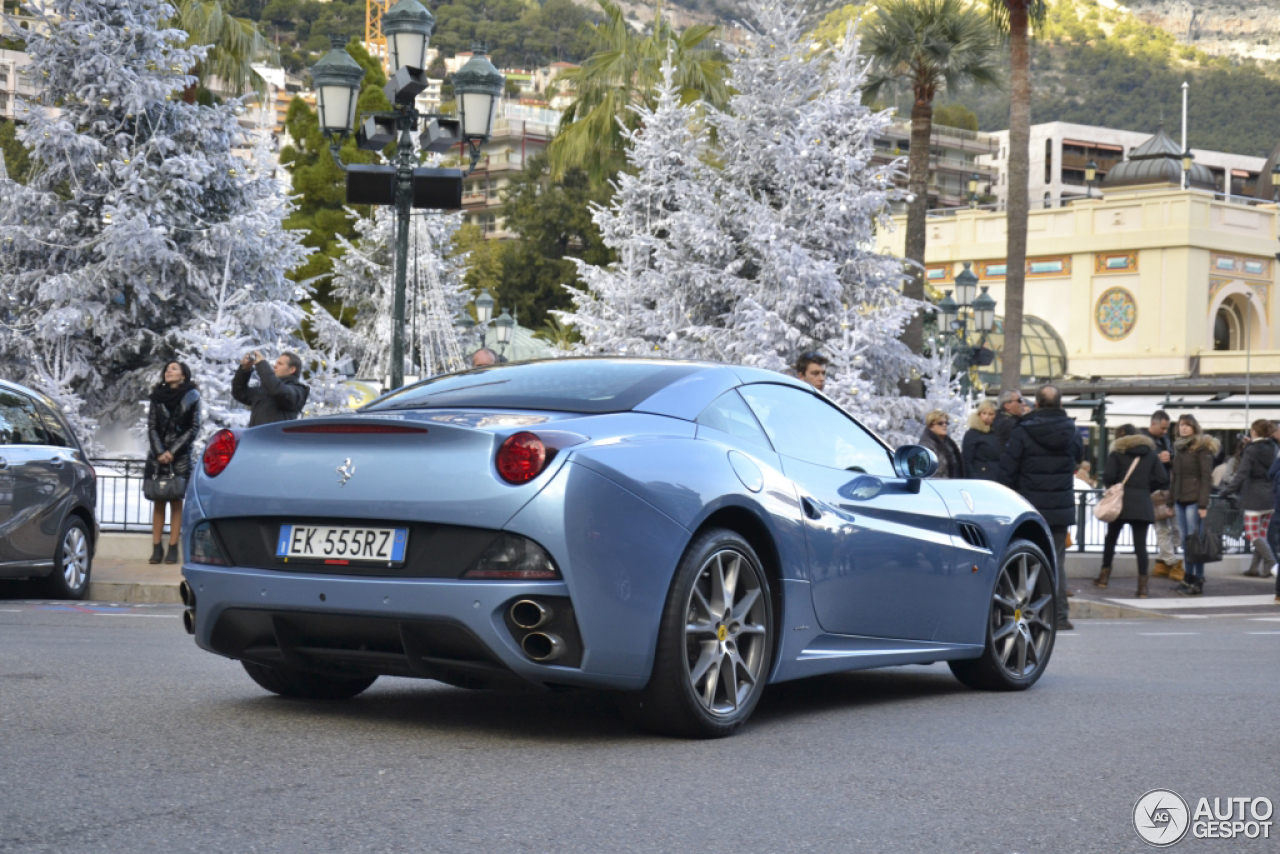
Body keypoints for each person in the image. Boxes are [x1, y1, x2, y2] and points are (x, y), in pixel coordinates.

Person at [997, 385, 1083, 629]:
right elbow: (1078, 457)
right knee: (1056, 561)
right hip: (1059, 507)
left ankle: (1027, 614)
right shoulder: (1071, 431)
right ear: (1059, 404)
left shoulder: (1023, 430)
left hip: (1029, 507)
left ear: (1035, 402)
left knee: (1024, 561)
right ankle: (1059, 615)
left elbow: (1008, 469)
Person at [1093, 424, 1169, 598]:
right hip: (1142, 503)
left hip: (1120, 504)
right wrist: (1145, 487)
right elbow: (1162, 478)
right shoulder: (1150, 454)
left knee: (1111, 539)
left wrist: (1115, 486)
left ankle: (1104, 578)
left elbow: (1109, 477)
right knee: (1140, 546)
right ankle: (1142, 588)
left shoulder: (1117, 453)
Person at [145, 361, 201, 564]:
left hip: (180, 456)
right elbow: (151, 426)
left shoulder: (193, 397)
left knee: (176, 501)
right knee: (158, 500)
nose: (169, 371)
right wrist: (160, 452)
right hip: (157, 456)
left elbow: (194, 428)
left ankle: (173, 547)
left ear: (184, 375)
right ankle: (156, 547)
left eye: (174, 368)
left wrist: (173, 452)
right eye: (167, 368)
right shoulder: (157, 397)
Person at [1166, 415, 1218, 596]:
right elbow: (1175, 478)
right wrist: (1170, 501)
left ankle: (1198, 579)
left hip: (1194, 500)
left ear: (1194, 428)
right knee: (1186, 542)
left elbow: (1206, 477)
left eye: (1187, 425)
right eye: (1181, 425)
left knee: (1195, 541)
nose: (1184, 428)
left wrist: (1203, 504)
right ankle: (1188, 578)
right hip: (1181, 500)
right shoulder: (1180, 448)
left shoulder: (1201, 449)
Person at [1219, 419, 1278, 578]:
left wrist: (1225, 492)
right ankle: (1255, 568)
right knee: (1262, 535)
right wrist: (1251, 445)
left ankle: (1273, 564)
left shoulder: (1251, 450)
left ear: (1254, 432)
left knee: (1253, 535)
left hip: (1254, 496)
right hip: (1270, 495)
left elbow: (1241, 475)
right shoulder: (1273, 447)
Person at [1143, 410, 1182, 582]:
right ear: (1153, 424)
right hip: (1153, 491)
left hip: (1166, 489)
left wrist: (1170, 457)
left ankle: (1164, 561)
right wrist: (1158, 459)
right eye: (1163, 428)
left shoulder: (1164, 440)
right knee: (1163, 527)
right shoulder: (1144, 441)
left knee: (1172, 527)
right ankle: (1170, 561)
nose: (1165, 432)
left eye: (1166, 428)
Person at [231, 351, 309, 427]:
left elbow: (278, 391)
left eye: (280, 364)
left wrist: (261, 363)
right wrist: (244, 370)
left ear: (292, 369)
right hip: (255, 438)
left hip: (276, 439)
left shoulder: (298, 390)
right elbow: (239, 392)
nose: (275, 366)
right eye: (276, 363)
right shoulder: (265, 389)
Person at [961, 400, 1001, 480]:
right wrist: (974, 478)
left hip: (997, 477)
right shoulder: (972, 433)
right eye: (984, 413)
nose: (987, 417)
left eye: (991, 414)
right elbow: (967, 460)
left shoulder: (998, 432)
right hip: (980, 477)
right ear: (979, 414)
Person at [919, 409, 964, 479]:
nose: (944, 425)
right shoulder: (926, 445)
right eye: (940, 423)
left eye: (946, 423)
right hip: (937, 486)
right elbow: (925, 473)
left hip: (951, 484)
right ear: (931, 426)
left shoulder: (949, 443)